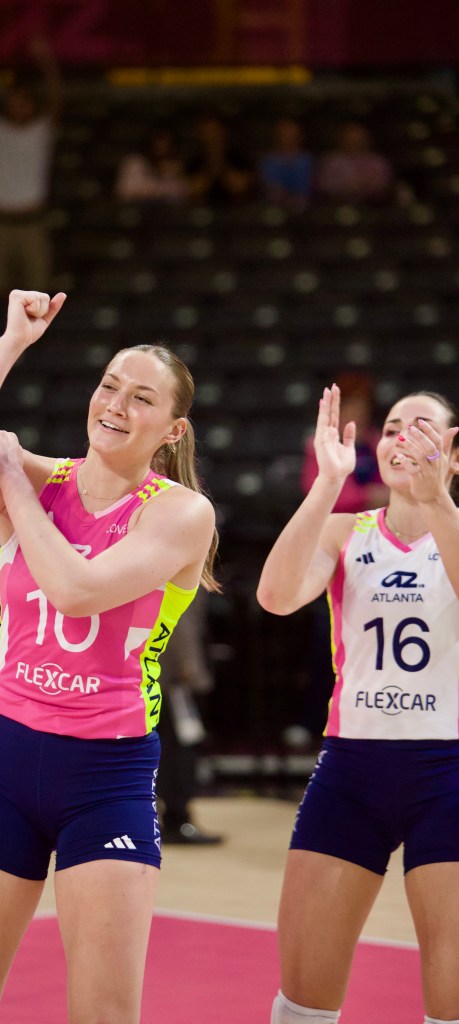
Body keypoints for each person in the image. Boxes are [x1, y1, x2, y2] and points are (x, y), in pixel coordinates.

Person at [0, 288, 219, 1024]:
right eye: (109, 385)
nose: (116, 404)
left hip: (105, 774)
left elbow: (77, 592)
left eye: (141, 398)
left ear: (172, 428)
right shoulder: (44, 478)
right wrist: (10, 345)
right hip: (4, 759)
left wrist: (14, 485)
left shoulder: (181, 512)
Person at [257, 384, 459, 1024]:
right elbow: (275, 597)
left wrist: (438, 502)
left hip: (448, 773)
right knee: (301, 1000)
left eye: (423, 430)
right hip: (351, 770)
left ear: (454, 454)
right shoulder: (345, 532)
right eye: (393, 428)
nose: (404, 440)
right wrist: (326, 486)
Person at [284, 372, 389, 749]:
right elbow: (321, 496)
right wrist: (368, 495)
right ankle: (312, 718)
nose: (356, 413)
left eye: (362, 406)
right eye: (350, 406)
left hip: (381, 554)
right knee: (325, 642)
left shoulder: (379, 444)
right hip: (337, 555)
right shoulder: (322, 448)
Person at [0, 37, 62, 301]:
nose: (19, 105)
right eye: (14, 100)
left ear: (32, 104)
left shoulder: (41, 131)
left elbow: (57, 99)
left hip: (32, 224)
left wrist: (46, 61)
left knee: (38, 296)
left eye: (24, 101)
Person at [157, 590, 223, 845]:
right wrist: (190, 669)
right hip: (172, 680)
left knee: (171, 750)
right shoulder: (178, 569)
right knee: (178, 752)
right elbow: (181, 623)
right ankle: (178, 819)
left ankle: (174, 818)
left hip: (159, 677)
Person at [186, 110, 254, 204]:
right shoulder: (194, 161)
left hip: (236, 209)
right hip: (203, 209)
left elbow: (240, 188)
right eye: (206, 133)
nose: (211, 137)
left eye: (214, 132)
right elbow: (195, 190)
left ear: (223, 131)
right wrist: (210, 165)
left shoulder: (239, 157)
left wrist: (221, 164)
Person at [316, 120, 393, 204]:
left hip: (371, 206)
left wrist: (357, 189)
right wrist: (350, 188)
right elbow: (324, 186)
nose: (354, 142)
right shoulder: (331, 162)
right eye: (350, 139)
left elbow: (381, 187)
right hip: (336, 205)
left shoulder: (378, 162)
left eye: (358, 139)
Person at [115, 126, 188, 204]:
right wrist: (159, 190)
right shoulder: (134, 162)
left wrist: (171, 173)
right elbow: (125, 192)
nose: (162, 146)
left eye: (167, 143)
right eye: (159, 141)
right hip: (135, 209)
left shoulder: (173, 167)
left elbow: (182, 193)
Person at [259, 116, 314, 212]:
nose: (287, 138)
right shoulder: (269, 161)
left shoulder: (307, 161)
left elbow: (308, 187)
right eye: (284, 134)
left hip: (305, 208)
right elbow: (271, 187)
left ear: (299, 136)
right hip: (274, 208)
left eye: (291, 134)